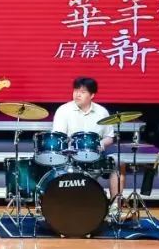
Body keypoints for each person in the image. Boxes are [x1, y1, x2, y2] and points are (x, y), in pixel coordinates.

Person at [52, 77, 122, 214]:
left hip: (97, 154)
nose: (77, 94)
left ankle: (115, 206)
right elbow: (59, 138)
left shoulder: (102, 112)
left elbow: (109, 137)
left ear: (92, 95)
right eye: (76, 91)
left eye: (82, 92)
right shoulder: (63, 110)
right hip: (71, 155)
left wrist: (100, 145)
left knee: (119, 163)